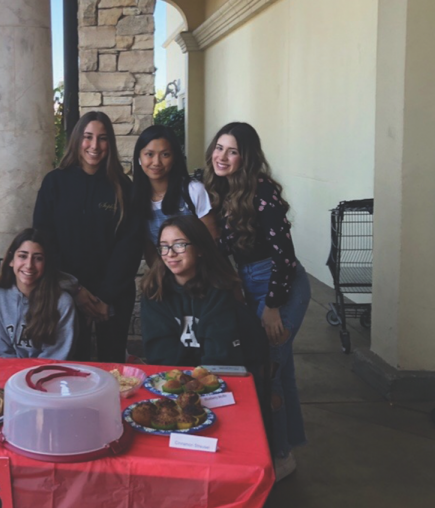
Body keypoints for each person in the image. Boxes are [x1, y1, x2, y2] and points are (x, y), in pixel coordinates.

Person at [203, 121, 311, 481]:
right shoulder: (220, 190)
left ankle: (279, 456)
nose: (223, 156)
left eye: (232, 151)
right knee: (282, 368)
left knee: (270, 369)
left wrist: (272, 306)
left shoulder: (261, 190)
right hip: (252, 281)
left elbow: (285, 255)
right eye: (219, 148)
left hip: (280, 285)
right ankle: (287, 444)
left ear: (246, 157)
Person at [33, 111, 143, 362]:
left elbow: (130, 245)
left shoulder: (123, 187)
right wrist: (76, 289)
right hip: (66, 295)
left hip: (113, 296)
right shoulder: (55, 183)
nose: (95, 146)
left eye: (103, 138)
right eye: (88, 137)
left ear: (110, 144)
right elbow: (44, 239)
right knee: (71, 366)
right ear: (77, 140)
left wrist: (104, 297)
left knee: (112, 367)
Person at [140, 216, 244, 367]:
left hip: (215, 380)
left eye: (179, 245)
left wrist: (197, 381)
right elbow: (160, 355)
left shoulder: (219, 290)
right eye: (164, 246)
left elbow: (219, 353)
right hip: (171, 380)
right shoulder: (154, 292)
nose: (170, 254)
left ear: (200, 249)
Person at [0, 228, 77, 359]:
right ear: (11, 260)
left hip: (48, 375)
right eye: (22, 256)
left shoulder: (62, 302)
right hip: (6, 374)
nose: (29, 265)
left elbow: (57, 356)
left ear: (46, 263)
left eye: (38, 258)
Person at [131, 124, 216, 267]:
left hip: (200, 278)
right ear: (139, 158)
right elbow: (150, 249)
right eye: (149, 154)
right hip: (166, 281)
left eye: (165, 154)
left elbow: (211, 240)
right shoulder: (136, 198)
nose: (156, 162)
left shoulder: (193, 191)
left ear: (174, 157)